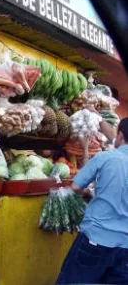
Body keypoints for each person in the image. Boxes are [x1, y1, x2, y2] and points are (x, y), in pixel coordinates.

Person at [56, 116, 128, 285]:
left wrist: (86, 150)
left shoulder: (105, 158)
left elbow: (75, 187)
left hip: (96, 240)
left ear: (119, 136)